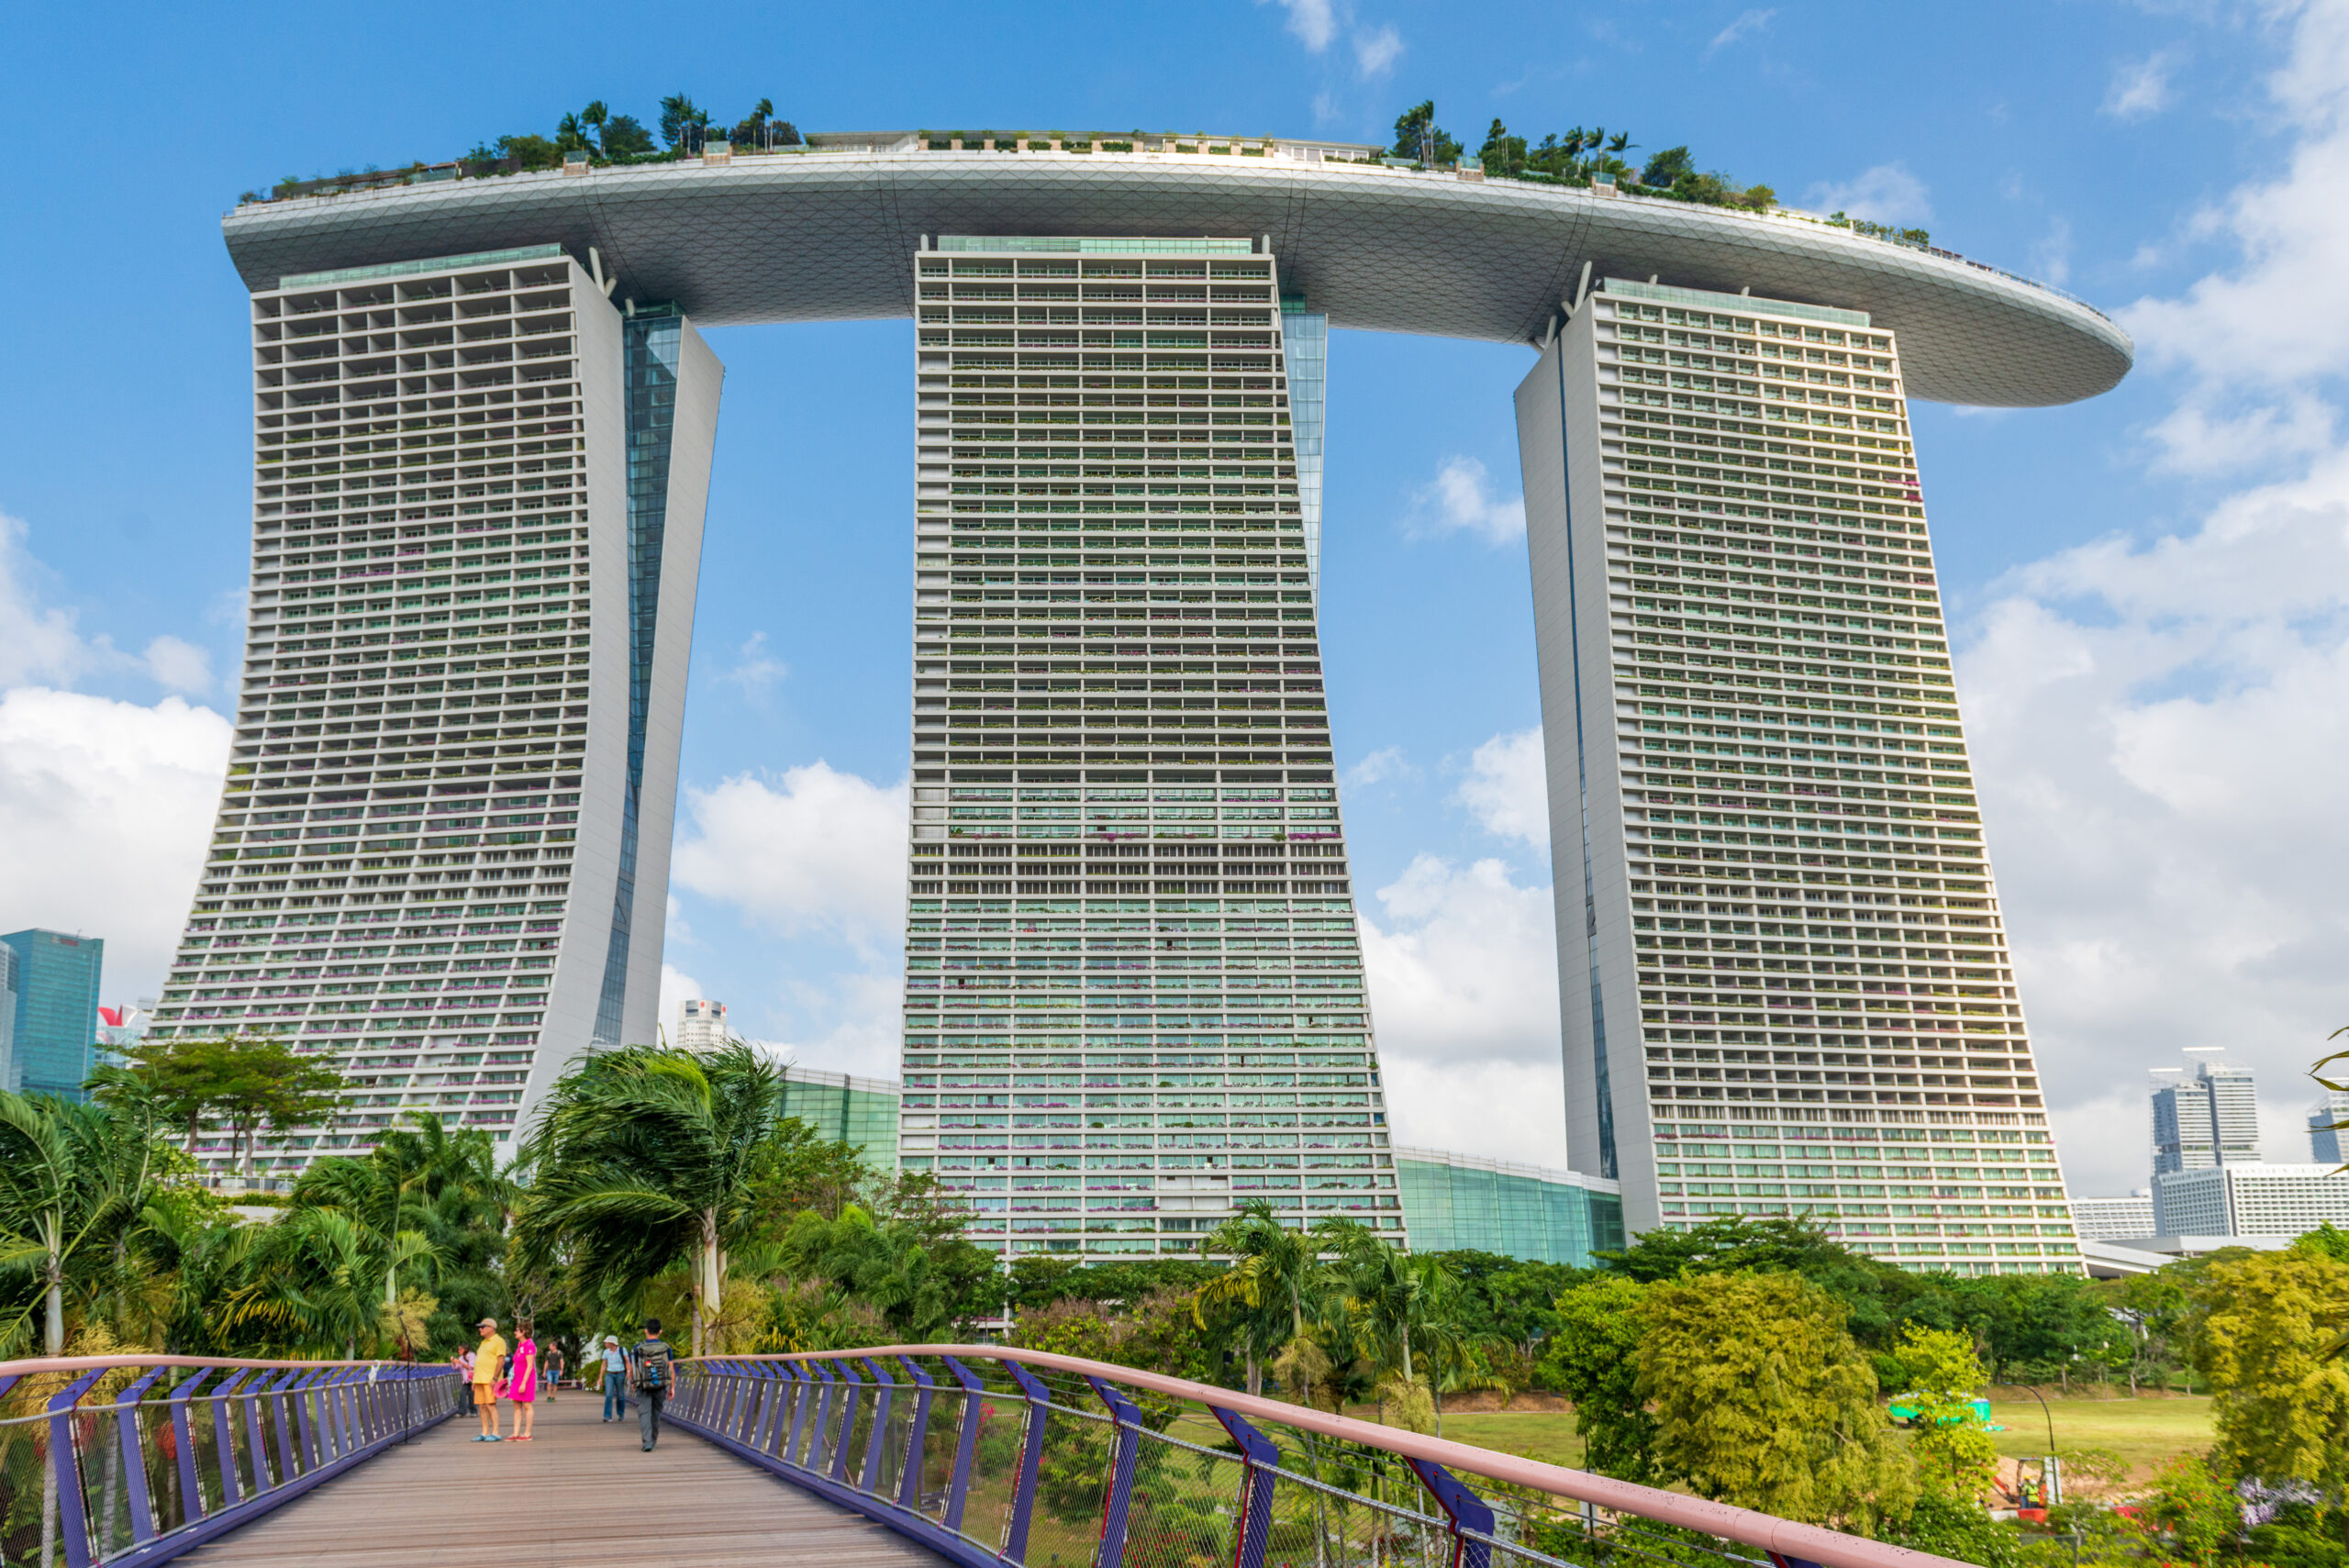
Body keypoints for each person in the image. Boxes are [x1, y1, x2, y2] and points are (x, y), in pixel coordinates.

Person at [626, 1318, 674, 1451]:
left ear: (645, 1331)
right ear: (660, 1332)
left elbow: (633, 1368)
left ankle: (647, 1442)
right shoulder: (666, 1348)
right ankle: (653, 1439)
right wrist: (672, 1387)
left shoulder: (637, 1348)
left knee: (645, 1413)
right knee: (656, 1413)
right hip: (661, 1384)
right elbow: (671, 1369)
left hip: (644, 1385)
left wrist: (634, 1383)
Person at [472, 1317, 507, 1441]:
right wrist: (474, 1380)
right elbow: (479, 1362)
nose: (480, 1329)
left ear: (491, 1328)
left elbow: (501, 1361)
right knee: (481, 1406)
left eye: (482, 1327)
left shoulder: (498, 1341)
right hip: (479, 1379)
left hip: (490, 1379)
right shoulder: (483, 1343)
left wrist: (495, 1378)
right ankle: (485, 1432)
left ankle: (496, 1432)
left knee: (490, 1405)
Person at [507, 1321, 540, 1440]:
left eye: (517, 1330)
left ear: (523, 1332)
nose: (515, 1332)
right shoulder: (520, 1345)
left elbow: (530, 1365)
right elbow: (516, 1363)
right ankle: (516, 1433)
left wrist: (524, 1383)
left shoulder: (529, 1345)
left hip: (527, 1379)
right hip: (517, 1378)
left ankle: (527, 1433)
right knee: (516, 1405)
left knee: (527, 1405)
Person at [599, 1335, 629, 1423]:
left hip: (620, 1373)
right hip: (609, 1374)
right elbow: (604, 1364)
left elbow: (627, 1361)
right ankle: (607, 1416)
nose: (605, 1343)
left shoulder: (622, 1350)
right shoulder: (606, 1352)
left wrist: (628, 1372)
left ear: (612, 1343)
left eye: (606, 1342)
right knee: (608, 1395)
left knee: (620, 1395)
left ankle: (621, 1413)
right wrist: (600, 1377)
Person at [542, 1340, 564, 1404]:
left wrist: (561, 1370)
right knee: (549, 1383)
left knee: (555, 1384)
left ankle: (553, 1397)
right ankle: (548, 1397)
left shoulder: (559, 1353)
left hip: (557, 1370)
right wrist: (544, 1371)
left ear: (554, 1347)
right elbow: (546, 1362)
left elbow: (561, 1361)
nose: (549, 1347)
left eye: (550, 1346)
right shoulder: (548, 1353)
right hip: (549, 1370)